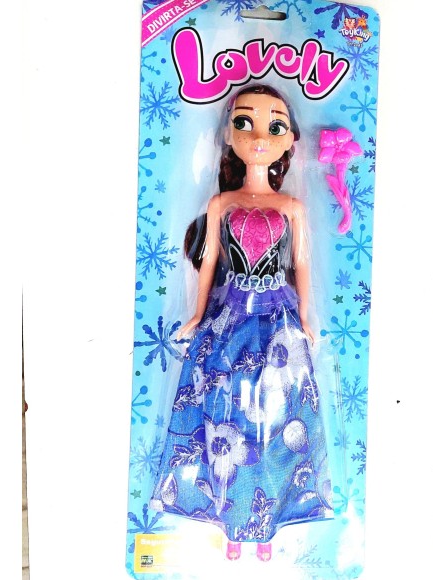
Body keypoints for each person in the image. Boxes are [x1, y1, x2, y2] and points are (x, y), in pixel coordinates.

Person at [150, 84, 332, 561]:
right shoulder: (222, 204)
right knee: (225, 415)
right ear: (228, 135)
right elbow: (209, 260)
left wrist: (307, 317)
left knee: (277, 416)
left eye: (275, 126)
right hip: (229, 318)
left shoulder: (291, 209)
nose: (259, 137)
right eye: (243, 122)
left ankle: (267, 524)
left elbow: (302, 261)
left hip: (278, 324)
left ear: (289, 140)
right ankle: (230, 521)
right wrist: (197, 314)